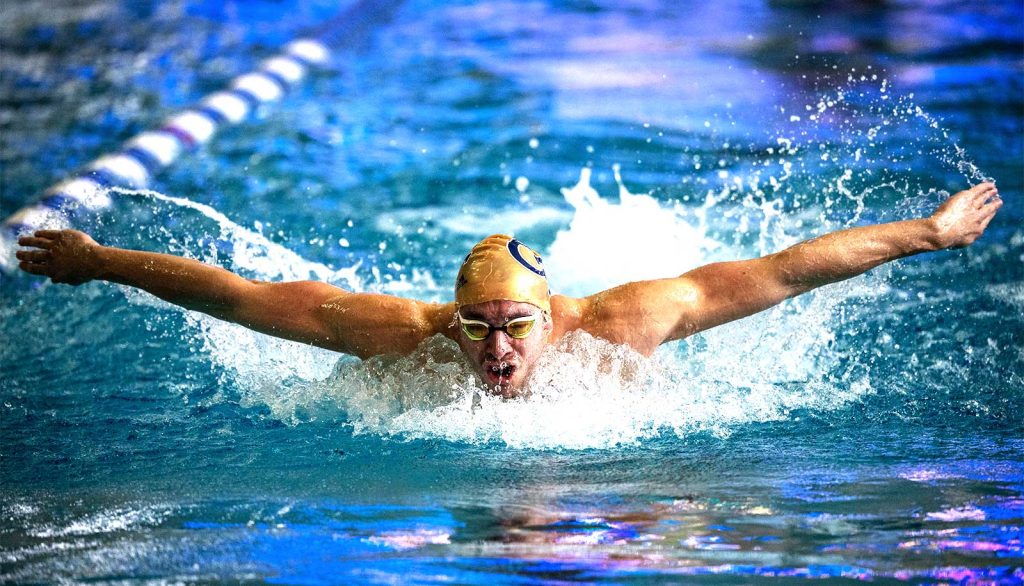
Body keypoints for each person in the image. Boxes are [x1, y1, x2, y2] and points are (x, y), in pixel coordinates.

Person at [16, 182, 1001, 397]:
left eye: (512, 327)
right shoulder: (402, 333)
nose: (494, 349)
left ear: (549, 313)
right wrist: (102, 261)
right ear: (452, 319)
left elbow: (784, 269)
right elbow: (236, 294)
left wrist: (929, 233)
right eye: (477, 329)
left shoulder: (618, 321)